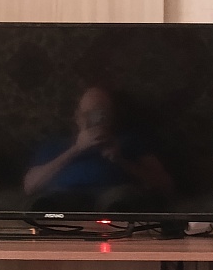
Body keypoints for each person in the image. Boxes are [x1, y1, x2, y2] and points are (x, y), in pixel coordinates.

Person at [23, 86, 174, 212]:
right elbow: (30, 186)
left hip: (115, 196)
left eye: (102, 114)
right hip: (67, 197)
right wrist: (76, 149)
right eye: (89, 114)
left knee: (121, 199)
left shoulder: (130, 141)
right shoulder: (57, 144)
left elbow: (165, 185)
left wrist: (121, 160)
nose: (96, 120)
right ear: (78, 117)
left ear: (112, 116)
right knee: (51, 202)